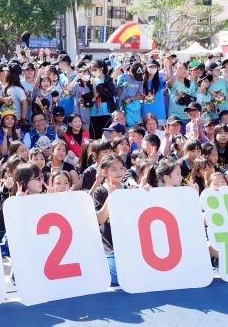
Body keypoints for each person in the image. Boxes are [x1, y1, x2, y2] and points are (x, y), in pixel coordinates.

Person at [91, 154, 127, 286]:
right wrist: (110, 198)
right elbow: (100, 220)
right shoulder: (100, 192)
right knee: (116, 277)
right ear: (104, 172)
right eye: (114, 169)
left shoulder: (130, 189)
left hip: (129, 243)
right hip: (110, 244)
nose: (119, 172)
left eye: (121, 168)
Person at [89, 60, 116, 138]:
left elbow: (109, 94)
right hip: (94, 112)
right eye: (92, 70)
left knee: (106, 136)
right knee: (95, 136)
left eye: (95, 70)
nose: (93, 72)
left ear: (101, 69)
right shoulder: (91, 80)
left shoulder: (108, 79)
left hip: (106, 112)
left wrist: (97, 86)